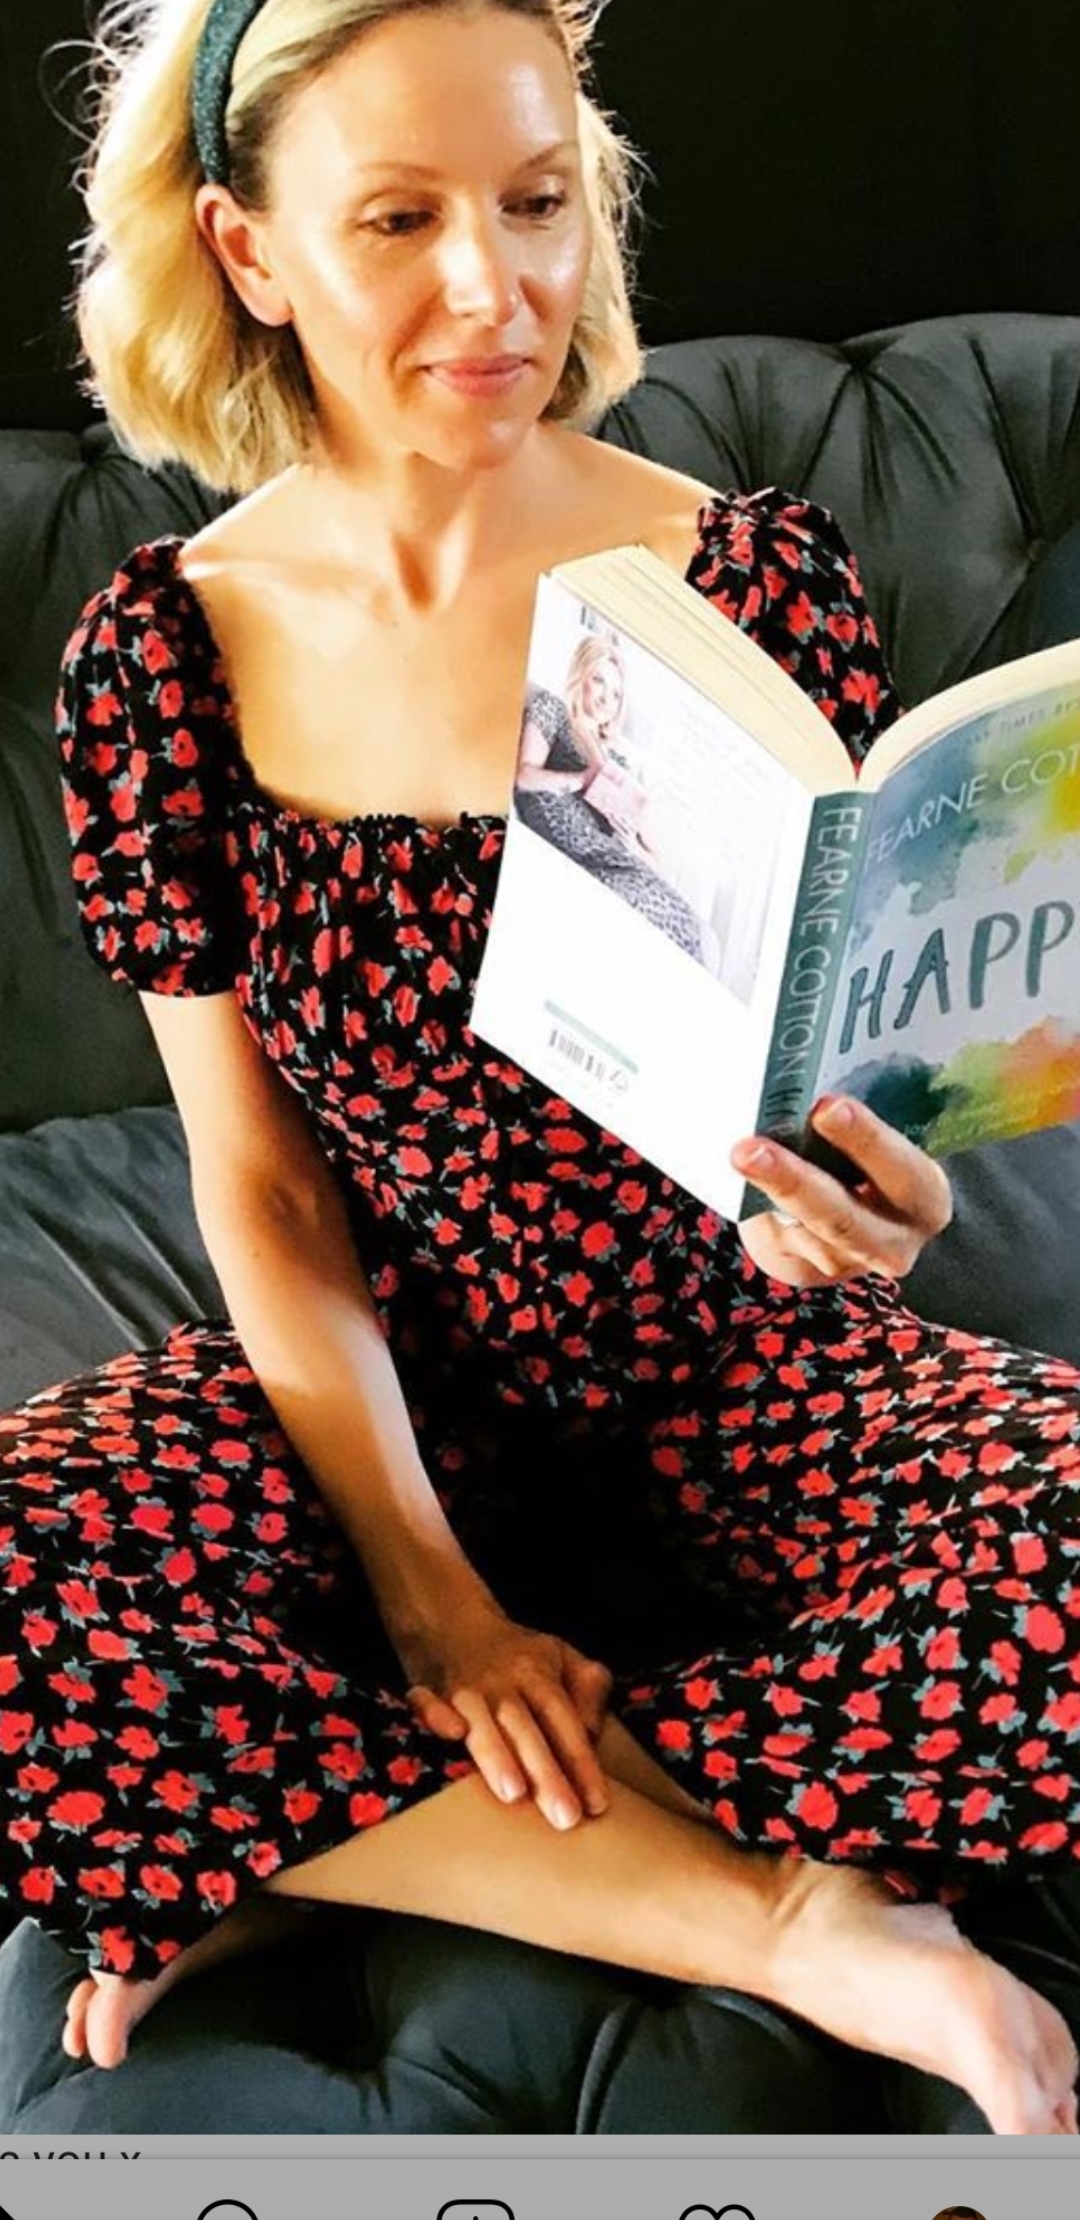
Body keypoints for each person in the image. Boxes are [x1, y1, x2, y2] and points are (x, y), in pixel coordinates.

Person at [2, 0, 1080, 2138]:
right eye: (400, 219)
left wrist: (875, 1207)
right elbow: (262, 1189)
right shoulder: (160, 656)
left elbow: (814, 1077)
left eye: (535, 200)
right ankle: (777, 1916)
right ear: (247, 247)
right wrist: (433, 1611)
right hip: (381, 1401)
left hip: (738, 1364)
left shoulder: (742, 577)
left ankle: (312, 1829)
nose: (495, 287)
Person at [514, 631, 706, 956]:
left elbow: (657, 862)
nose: (607, 698)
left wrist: (630, 843)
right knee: (627, 904)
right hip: (579, 852)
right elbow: (524, 777)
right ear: (581, 676)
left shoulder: (619, 761)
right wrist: (580, 779)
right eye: (599, 681)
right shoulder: (554, 711)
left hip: (611, 855)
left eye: (616, 694)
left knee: (686, 923)